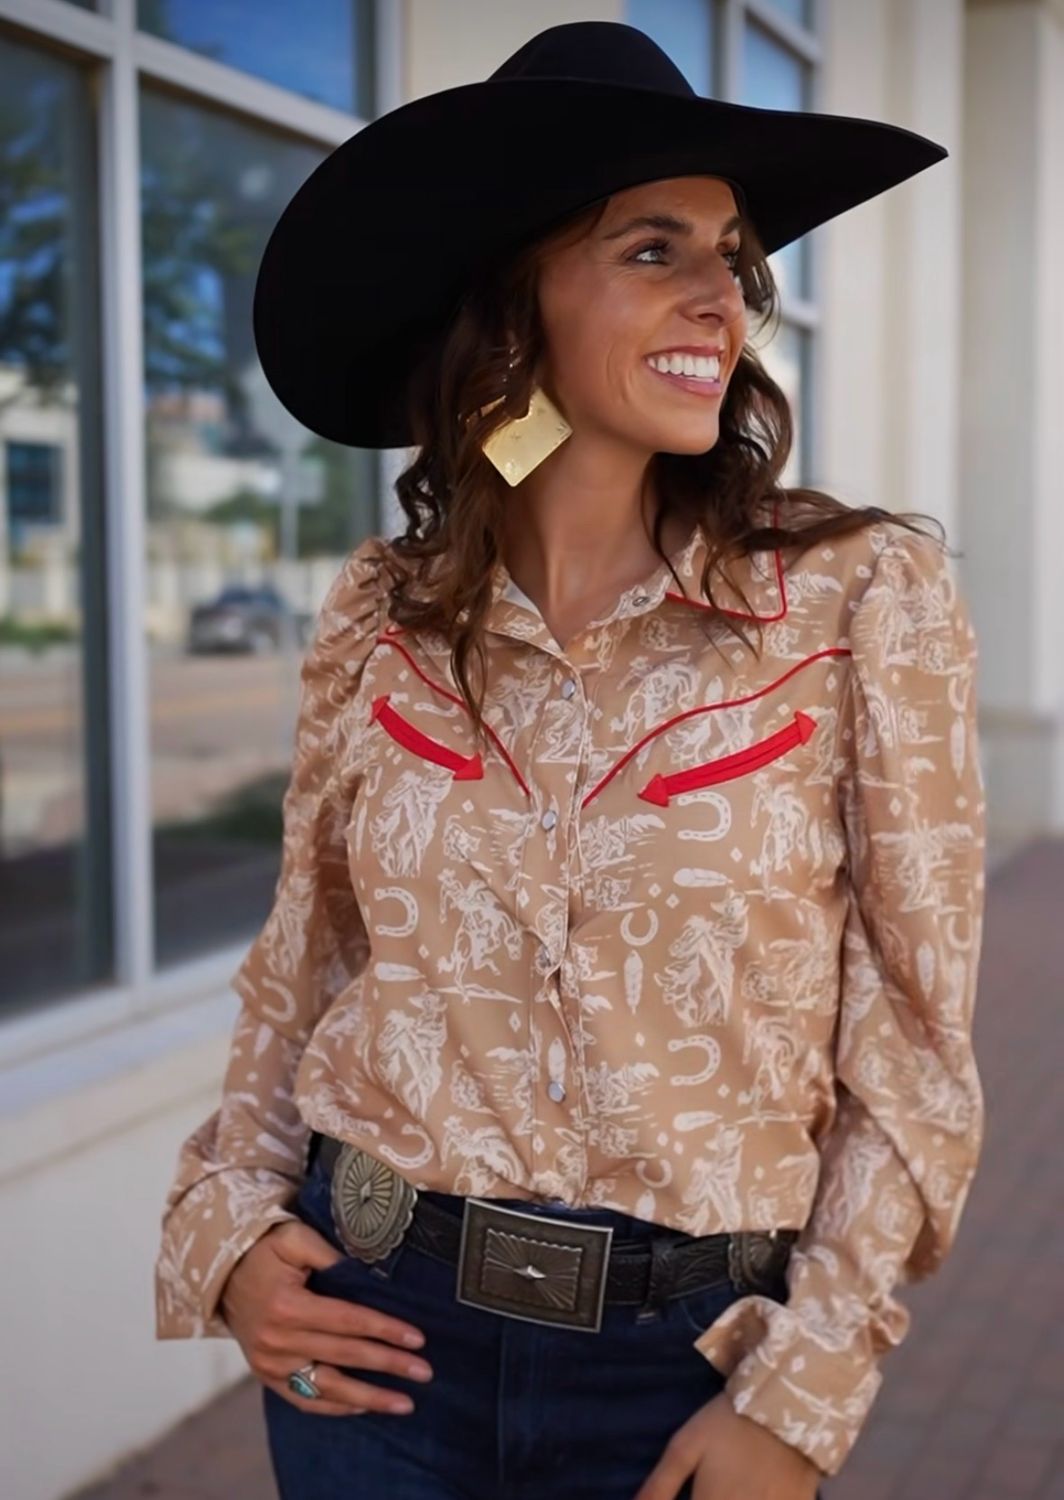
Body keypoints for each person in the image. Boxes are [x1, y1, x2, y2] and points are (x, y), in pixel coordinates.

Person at [154, 21, 987, 1500]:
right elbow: (306, 968)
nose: (721, 298)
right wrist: (226, 1235)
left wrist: (807, 1390)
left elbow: (915, 1047)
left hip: (683, 1373)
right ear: (514, 301)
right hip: (371, 1338)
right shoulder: (379, 615)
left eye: (734, 257)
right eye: (652, 249)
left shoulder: (859, 601)